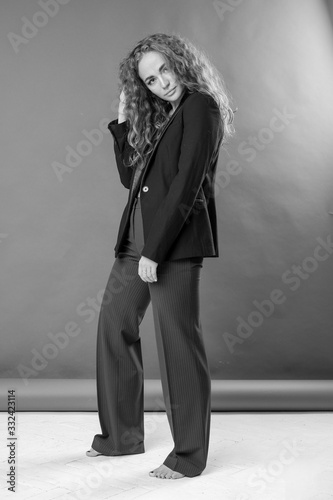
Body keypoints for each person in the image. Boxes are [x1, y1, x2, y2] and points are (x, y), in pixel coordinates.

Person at [86, 33, 235, 479]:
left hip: (170, 245)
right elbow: (131, 178)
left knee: (178, 345)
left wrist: (155, 251)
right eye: (150, 80)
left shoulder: (201, 108)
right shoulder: (165, 116)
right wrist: (121, 126)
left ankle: (189, 456)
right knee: (115, 324)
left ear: (180, 63)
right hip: (135, 241)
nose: (161, 83)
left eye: (165, 70)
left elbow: (187, 186)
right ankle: (120, 437)